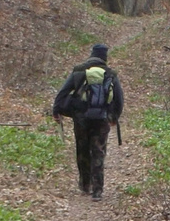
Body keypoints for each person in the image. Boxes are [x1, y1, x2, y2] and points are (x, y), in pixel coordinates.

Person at [52, 43, 125, 200]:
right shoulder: (110, 74)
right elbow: (119, 99)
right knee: (98, 151)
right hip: (102, 118)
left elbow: (63, 92)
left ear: (91, 54)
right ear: (105, 57)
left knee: (82, 150)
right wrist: (114, 117)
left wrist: (56, 111)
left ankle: (85, 185)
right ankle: (97, 191)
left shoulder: (79, 71)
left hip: (81, 118)